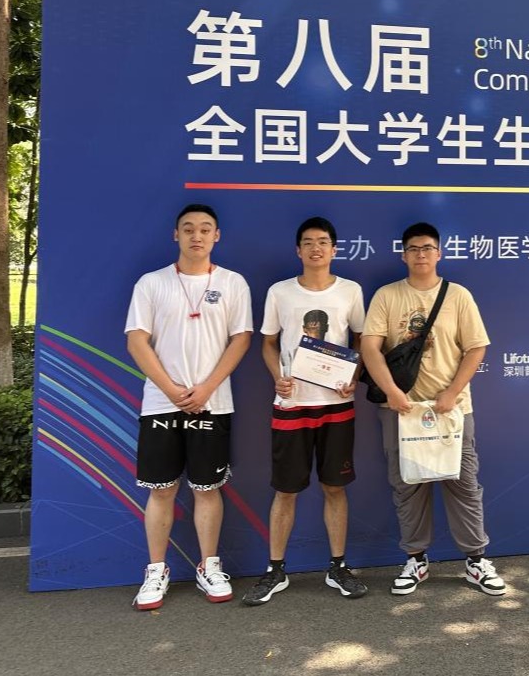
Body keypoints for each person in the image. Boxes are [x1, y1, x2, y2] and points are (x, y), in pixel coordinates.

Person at [359, 222, 507, 596]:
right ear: (403, 255)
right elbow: (370, 347)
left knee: (463, 483)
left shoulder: (457, 296)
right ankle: (416, 559)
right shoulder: (387, 295)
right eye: (413, 248)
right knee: (407, 485)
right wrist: (392, 392)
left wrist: (452, 393)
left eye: (427, 248)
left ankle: (476, 560)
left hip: (451, 410)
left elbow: (476, 348)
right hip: (400, 409)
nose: (420, 254)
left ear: (439, 254)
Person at [125, 203, 253, 610]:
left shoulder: (233, 283)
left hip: (213, 404)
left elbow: (241, 338)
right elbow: (136, 340)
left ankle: (209, 565)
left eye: (205, 229)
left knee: (207, 488)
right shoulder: (152, 283)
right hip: (161, 403)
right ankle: (155, 570)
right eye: (188, 229)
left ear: (217, 236)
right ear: (175, 234)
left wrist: (205, 389)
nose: (197, 235)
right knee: (162, 489)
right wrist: (173, 390)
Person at [243, 216, 369, 605]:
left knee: (335, 487)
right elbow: (268, 343)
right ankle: (275, 570)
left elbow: (362, 340)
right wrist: (277, 377)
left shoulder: (350, 291)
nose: (317, 248)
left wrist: (354, 375)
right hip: (292, 404)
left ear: (334, 249)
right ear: (298, 250)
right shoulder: (280, 292)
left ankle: (338, 567)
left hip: (337, 405)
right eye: (309, 242)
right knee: (286, 490)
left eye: (323, 242)